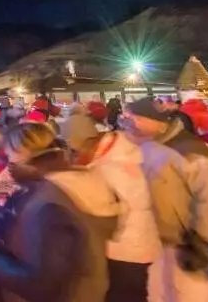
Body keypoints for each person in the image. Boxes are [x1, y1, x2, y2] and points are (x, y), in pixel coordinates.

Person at [0, 122, 120, 302]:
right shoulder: (73, 178)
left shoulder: (50, 198)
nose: (8, 161)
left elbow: (42, 285)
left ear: (23, 152)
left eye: (10, 154)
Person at [122, 98, 208, 302]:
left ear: (154, 120)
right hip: (157, 241)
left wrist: (204, 242)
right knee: (160, 294)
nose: (130, 122)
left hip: (190, 244)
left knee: (193, 296)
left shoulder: (191, 150)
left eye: (135, 117)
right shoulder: (146, 145)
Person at [69, 114, 162, 301]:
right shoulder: (122, 156)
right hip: (133, 245)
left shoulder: (113, 167)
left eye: (75, 150)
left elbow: (108, 208)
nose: (74, 155)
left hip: (125, 247)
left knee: (125, 292)